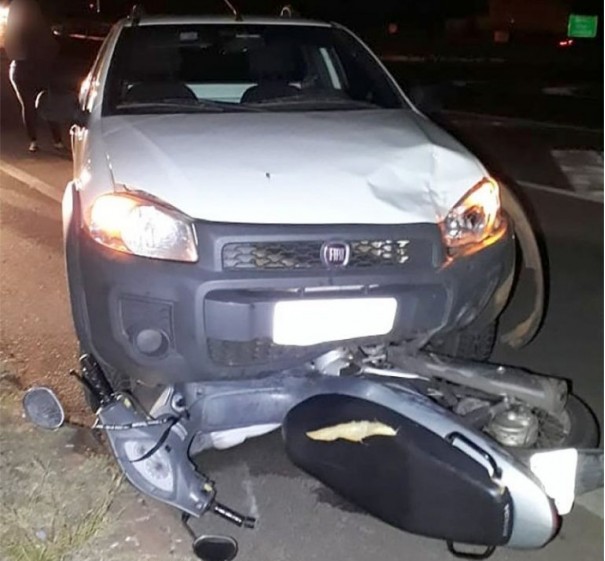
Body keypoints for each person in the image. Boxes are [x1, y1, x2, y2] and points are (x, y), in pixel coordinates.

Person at [4, 0, 64, 153]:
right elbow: (52, 47)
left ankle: (33, 141)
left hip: (19, 67)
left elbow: (10, 47)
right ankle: (57, 141)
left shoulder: (14, 15)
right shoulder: (37, 20)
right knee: (48, 101)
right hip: (37, 67)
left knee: (28, 105)